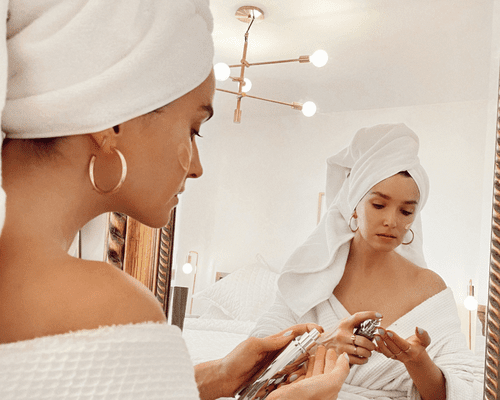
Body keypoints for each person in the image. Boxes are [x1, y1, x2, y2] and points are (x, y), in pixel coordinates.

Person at [0, 1, 350, 399]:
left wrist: (218, 374)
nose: (197, 167)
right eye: (193, 129)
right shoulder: (107, 307)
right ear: (112, 122)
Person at [250, 123, 484, 400]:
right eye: (378, 205)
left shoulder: (429, 289)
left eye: (406, 211)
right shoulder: (308, 275)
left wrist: (418, 363)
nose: (391, 221)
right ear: (354, 205)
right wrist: (321, 347)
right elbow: (254, 364)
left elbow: (465, 388)